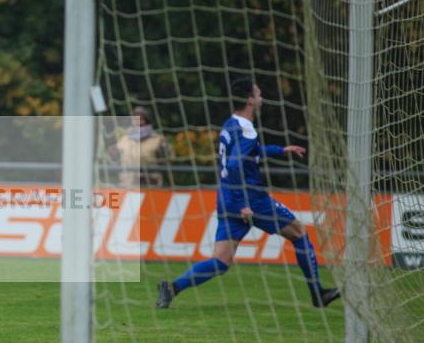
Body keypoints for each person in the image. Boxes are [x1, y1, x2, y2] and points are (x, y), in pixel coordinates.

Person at [157, 78, 340, 309]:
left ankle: (171, 288)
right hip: (252, 199)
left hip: (226, 199)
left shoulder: (230, 124)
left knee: (221, 261)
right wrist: (245, 204)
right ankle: (318, 294)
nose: (261, 98)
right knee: (299, 232)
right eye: (259, 94)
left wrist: (281, 150)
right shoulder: (247, 128)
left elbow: (251, 153)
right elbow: (235, 165)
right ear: (250, 100)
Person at [115, 106, 171, 187]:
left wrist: (164, 152)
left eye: (141, 119)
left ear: (147, 120)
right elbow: (115, 161)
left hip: (151, 184)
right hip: (127, 184)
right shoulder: (124, 140)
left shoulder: (158, 140)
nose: (138, 122)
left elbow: (168, 162)